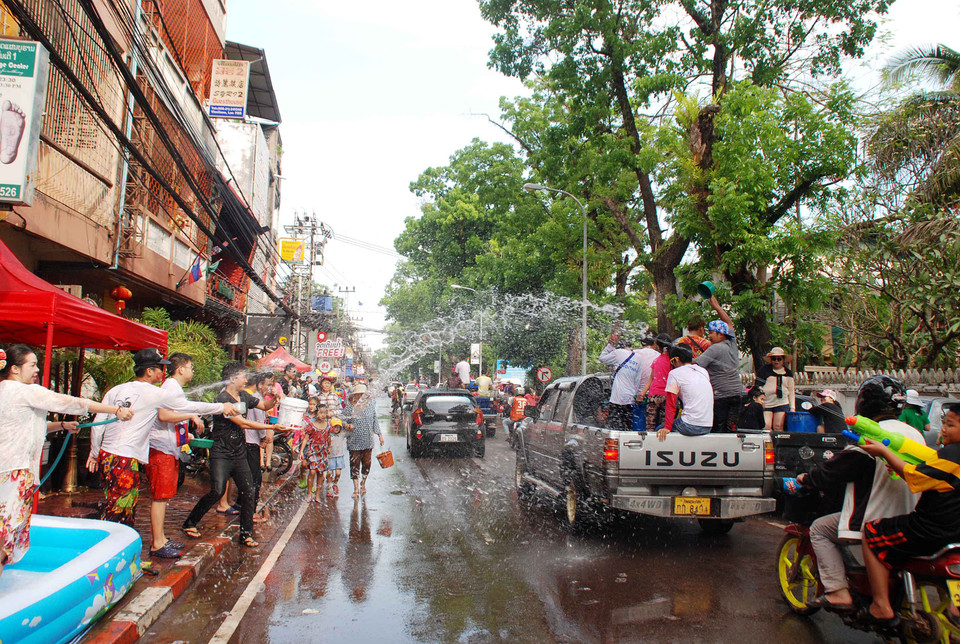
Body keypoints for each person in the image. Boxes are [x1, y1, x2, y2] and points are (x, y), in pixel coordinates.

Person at [0, 345, 133, 577]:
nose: (36, 370)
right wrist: (115, 409)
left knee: (4, 530)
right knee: (6, 533)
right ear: (13, 369)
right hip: (16, 472)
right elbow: (69, 402)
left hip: (6, 469)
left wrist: (60, 425)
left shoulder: (5, 391)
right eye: (32, 365)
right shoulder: (24, 391)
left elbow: (27, 424)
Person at [795, 375, 922, 615]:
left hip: (873, 519)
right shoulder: (914, 435)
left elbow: (833, 473)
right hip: (910, 518)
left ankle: (837, 591)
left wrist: (807, 478)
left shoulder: (868, 437)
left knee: (820, 529)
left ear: (863, 403)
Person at [858, 401, 960, 626]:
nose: (943, 429)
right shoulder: (944, 453)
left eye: (950, 425)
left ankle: (881, 606)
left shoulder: (952, 454)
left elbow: (913, 475)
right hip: (955, 533)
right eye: (943, 424)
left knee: (872, 531)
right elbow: (927, 473)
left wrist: (884, 451)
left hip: (929, 529)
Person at [88, 349, 202, 528]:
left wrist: (95, 453)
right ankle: (113, 545)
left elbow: (98, 423)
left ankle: (116, 543)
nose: (162, 373)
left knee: (116, 503)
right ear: (149, 371)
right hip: (124, 458)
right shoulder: (152, 392)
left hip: (108, 455)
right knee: (122, 507)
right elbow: (183, 407)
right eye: (159, 369)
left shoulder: (117, 390)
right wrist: (220, 407)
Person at [182, 363, 286, 547]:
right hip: (221, 452)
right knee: (217, 490)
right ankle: (190, 523)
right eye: (242, 377)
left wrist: (274, 399)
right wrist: (271, 427)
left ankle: (246, 534)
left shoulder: (244, 395)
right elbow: (243, 423)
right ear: (231, 379)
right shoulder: (223, 398)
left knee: (248, 491)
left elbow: (263, 405)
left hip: (239, 452)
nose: (246, 380)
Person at [146, 352, 238, 559]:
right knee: (159, 497)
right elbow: (164, 415)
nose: (193, 371)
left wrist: (187, 426)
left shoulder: (174, 388)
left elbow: (175, 413)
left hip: (168, 448)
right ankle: (157, 544)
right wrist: (217, 408)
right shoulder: (170, 387)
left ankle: (161, 538)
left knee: (164, 496)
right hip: (161, 450)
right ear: (181, 369)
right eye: (191, 367)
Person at [656, 344, 714, 441]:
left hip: (690, 425)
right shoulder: (703, 371)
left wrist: (667, 428)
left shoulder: (675, 373)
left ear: (676, 359)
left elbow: (671, 404)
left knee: (659, 430)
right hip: (707, 424)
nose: (673, 365)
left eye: (672, 362)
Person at [694, 319, 742, 433]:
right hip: (738, 394)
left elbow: (697, 364)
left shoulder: (715, 348)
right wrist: (716, 306)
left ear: (720, 334)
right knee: (731, 428)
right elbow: (730, 323)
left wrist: (684, 357)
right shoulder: (732, 345)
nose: (709, 336)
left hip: (721, 396)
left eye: (711, 333)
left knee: (718, 429)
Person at [342, 384, 383, 498]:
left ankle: (363, 483)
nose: (361, 396)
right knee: (354, 465)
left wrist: (379, 435)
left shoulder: (370, 406)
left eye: (363, 394)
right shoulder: (350, 408)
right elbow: (341, 420)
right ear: (354, 396)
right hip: (354, 441)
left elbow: (375, 421)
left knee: (367, 464)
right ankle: (355, 488)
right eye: (359, 394)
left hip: (368, 441)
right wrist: (347, 425)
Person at [598, 332, 645, 430]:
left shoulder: (618, 352)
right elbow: (637, 381)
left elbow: (602, 358)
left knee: (614, 426)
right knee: (627, 426)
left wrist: (610, 345)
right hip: (630, 399)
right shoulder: (638, 358)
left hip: (617, 398)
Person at [639, 334, 673, 432]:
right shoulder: (673, 361)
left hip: (654, 396)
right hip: (668, 395)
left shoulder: (657, 360)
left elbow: (651, 379)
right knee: (664, 425)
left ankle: (649, 443)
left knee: (650, 424)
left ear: (657, 345)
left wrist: (642, 393)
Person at [756, 347, 796, 432]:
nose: (776, 361)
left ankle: (778, 444)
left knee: (778, 426)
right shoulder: (764, 370)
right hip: (767, 402)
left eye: (779, 359)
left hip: (782, 402)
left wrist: (792, 407)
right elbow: (758, 386)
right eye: (774, 359)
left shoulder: (788, 373)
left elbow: (791, 391)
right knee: (766, 426)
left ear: (783, 360)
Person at [300, 398, 330, 503]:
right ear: (316, 413)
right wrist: (301, 451)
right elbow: (306, 438)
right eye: (320, 413)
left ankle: (317, 494)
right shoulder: (311, 425)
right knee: (312, 471)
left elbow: (329, 438)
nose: (322, 415)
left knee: (321, 473)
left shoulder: (328, 425)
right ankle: (309, 493)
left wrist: (329, 448)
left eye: (324, 413)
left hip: (323, 450)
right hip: (313, 449)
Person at [327, 415, 347, 497]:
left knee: (338, 473)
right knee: (329, 473)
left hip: (339, 456)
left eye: (338, 427)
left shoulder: (342, 435)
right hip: (330, 457)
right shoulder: (328, 435)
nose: (336, 429)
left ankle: (335, 483)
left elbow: (350, 430)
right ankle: (329, 488)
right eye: (335, 427)